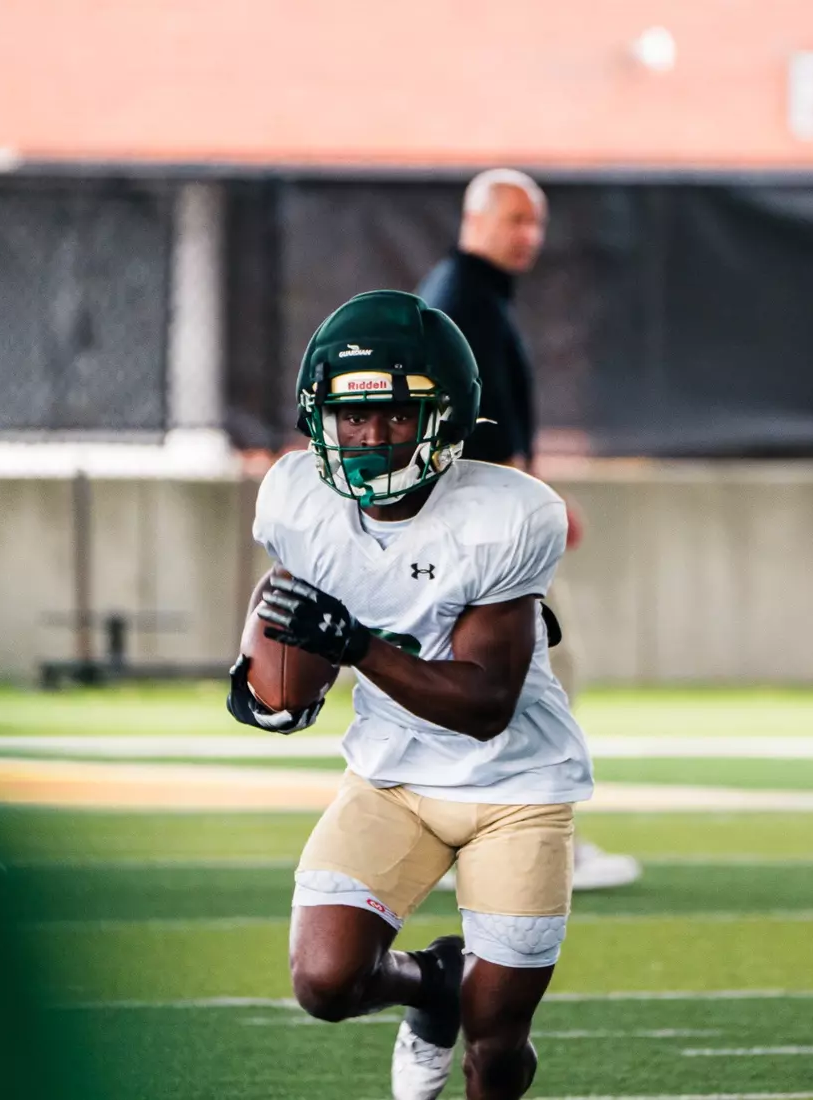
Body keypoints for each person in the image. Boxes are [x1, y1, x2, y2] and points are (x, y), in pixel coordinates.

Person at [228, 290, 589, 1100]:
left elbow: (485, 706)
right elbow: (290, 609)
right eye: (351, 415)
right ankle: (431, 986)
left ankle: (467, 1011)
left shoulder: (506, 515)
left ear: (448, 416)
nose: (370, 436)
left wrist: (354, 644)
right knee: (325, 980)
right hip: (392, 774)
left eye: (397, 413)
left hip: (514, 787)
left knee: (495, 1042)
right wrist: (269, 678)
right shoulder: (298, 501)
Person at [417, 168, 641, 892]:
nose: (530, 236)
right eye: (515, 219)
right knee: (542, 676)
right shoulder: (466, 300)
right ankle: (537, 847)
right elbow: (479, 429)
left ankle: (473, 838)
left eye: (536, 222)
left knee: (508, 683)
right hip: (485, 533)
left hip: (473, 525)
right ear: (475, 219)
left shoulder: (466, 295)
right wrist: (532, 500)